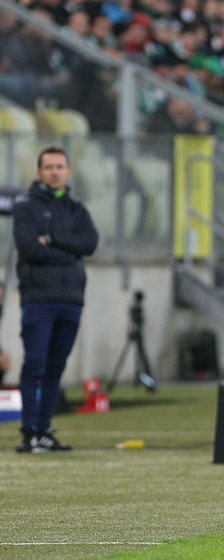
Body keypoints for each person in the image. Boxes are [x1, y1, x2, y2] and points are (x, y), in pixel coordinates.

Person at [13, 146, 99, 453]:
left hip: (71, 299)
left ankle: (45, 430)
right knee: (35, 365)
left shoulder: (76, 209)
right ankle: (30, 432)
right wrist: (68, 251)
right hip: (38, 298)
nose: (54, 171)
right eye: (48, 167)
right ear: (38, 172)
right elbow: (28, 249)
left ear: (68, 172)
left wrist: (51, 239)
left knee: (55, 368)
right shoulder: (24, 207)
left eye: (60, 166)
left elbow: (89, 243)